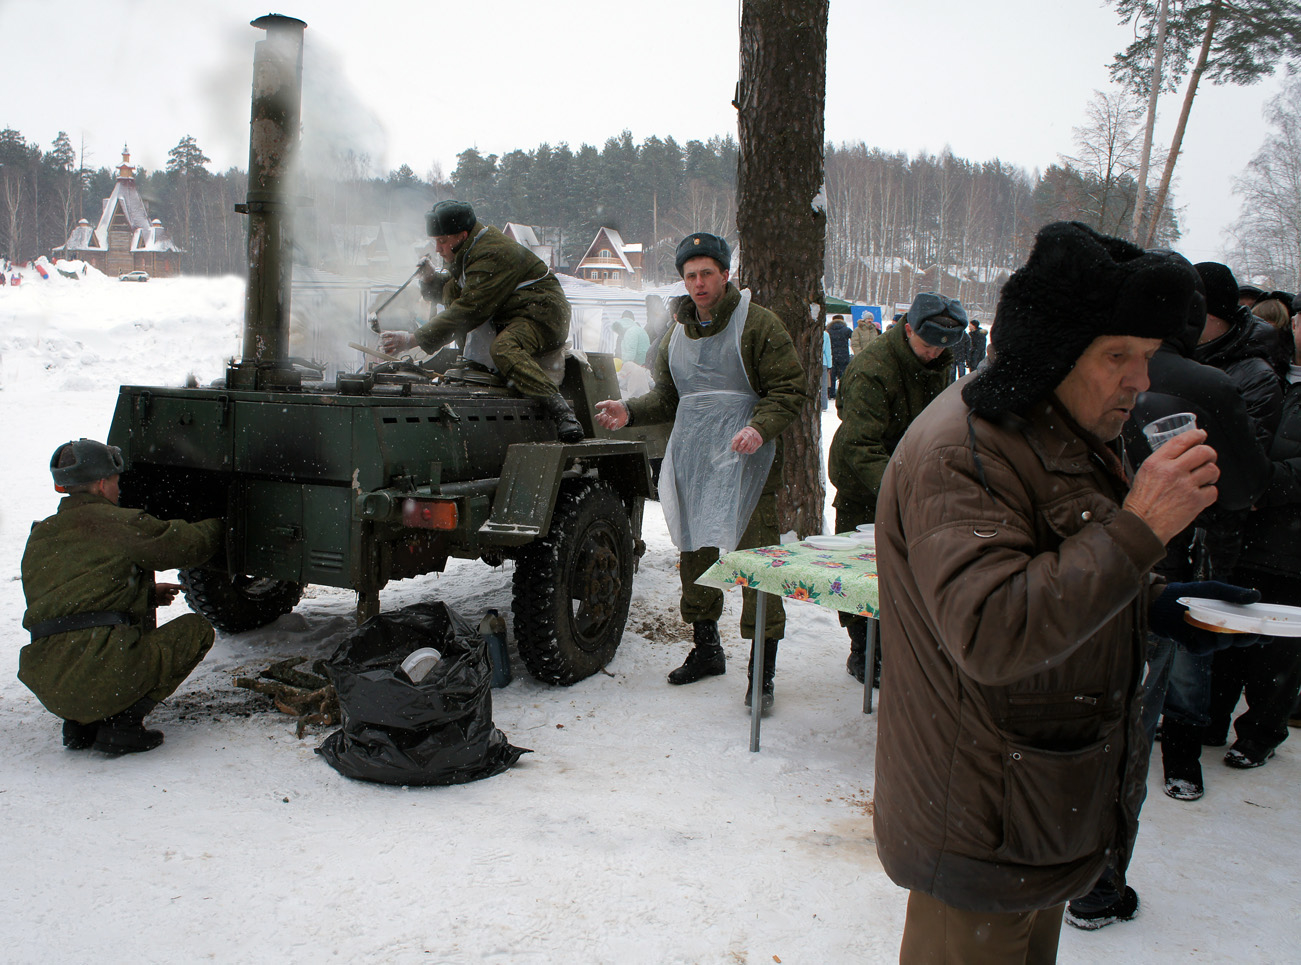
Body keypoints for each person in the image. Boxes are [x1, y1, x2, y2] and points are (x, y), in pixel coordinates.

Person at [873, 221, 1261, 962]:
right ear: (1052, 349)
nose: (1139, 381)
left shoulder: (1055, 426)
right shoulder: (967, 448)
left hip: (1037, 807)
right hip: (981, 816)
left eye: (1146, 357)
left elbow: (1054, 566)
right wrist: (1138, 528)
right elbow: (991, 629)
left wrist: (1148, 602)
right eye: (1117, 355)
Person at [594, 232, 805, 712]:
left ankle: (762, 672)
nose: (699, 283)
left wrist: (759, 427)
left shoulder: (759, 325)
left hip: (747, 462)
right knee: (695, 555)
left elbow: (789, 390)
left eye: (707, 272)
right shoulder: (675, 335)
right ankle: (707, 647)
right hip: (693, 460)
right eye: (690, 275)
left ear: (726, 274)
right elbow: (669, 397)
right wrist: (630, 410)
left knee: (756, 564)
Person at [20, 439, 224, 755]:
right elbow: (185, 544)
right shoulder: (119, 523)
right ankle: (121, 724)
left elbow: (70, 595)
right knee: (195, 630)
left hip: (50, 681)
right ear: (102, 484)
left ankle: (81, 722)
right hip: (100, 671)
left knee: (90, 648)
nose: (118, 489)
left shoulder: (42, 534)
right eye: (116, 482)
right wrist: (223, 523)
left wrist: (144, 594)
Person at [827, 292, 967, 684]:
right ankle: (863, 648)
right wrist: (903, 490)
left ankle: (902, 646)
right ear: (908, 329)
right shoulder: (872, 369)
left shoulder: (938, 357)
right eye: (928, 345)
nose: (935, 355)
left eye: (943, 348)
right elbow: (860, 445)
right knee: (862, 573)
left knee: (908, 571)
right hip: (865, 481)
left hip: (914, 475)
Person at [380, 200, 583, 443]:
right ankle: (474, 366)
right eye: (436, 241)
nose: (438, 248)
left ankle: (561, 411)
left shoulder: (490, 254)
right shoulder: (469, 251)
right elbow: (455, 292)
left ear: (462, 235)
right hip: (513, 311)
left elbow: (468, 310)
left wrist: (413, 339)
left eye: (442, 241)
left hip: (542, 312)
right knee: (450, 289)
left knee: (504, 348)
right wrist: (431, 280)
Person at [825, 313, 852, 398]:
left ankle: (832, 393)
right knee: (843, 375)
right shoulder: (847, 330)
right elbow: (853, 338)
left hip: (832, 355)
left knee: (832, 375)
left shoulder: (828, 330)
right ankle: (843, 393)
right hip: (844, 355)